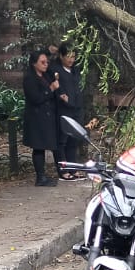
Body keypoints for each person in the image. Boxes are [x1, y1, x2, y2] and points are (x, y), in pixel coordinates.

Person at [22, 48, 59, 187]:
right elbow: (36, 98)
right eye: (42, 62)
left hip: (47, 117)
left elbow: (53, 70)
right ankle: (40, 177)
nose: (45, 64)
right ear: (34, 63)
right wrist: (50, 89)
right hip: (36, 118)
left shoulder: (45, 75)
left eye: (46, 62)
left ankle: (43, 176)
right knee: (38, 147)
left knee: (44, 146)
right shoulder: (29, 78)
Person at [52, 43, 85, 176]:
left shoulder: (76, 70)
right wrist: (61, 95)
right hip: (63, 109)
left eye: (73, 57)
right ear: (61, 56)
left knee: (73, 140)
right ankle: (62, 169)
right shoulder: (56, 69)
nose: (71, 60)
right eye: (68, 57)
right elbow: (55, 87)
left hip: (76, 108)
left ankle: (73, 168)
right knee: (62, 140)